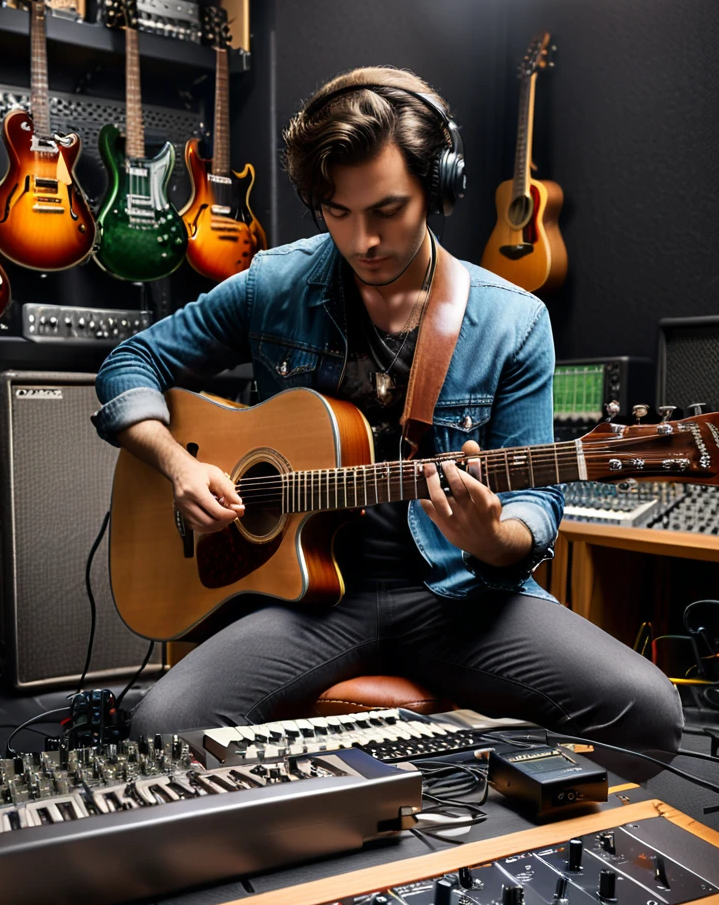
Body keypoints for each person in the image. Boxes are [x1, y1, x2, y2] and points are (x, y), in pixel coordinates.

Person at [93, 66, 682, 770]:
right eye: (338, 213)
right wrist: (179, 464)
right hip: (308, 602)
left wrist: (492, 535)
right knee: (162, 727)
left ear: (438, 189)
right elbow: (129, 365)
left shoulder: (514, 320)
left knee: (647, 712)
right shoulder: (272, 284)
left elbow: (535, 503)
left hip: (457, 597)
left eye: (387, 210)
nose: (363, 240)